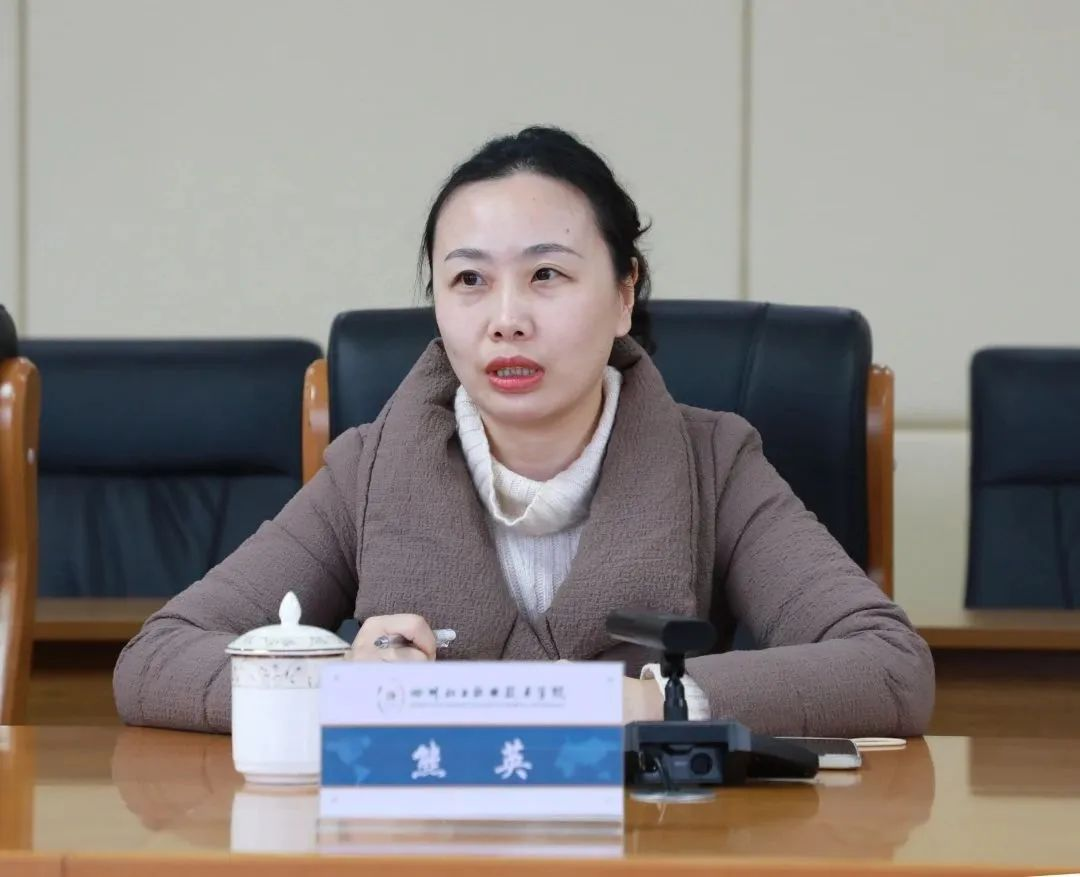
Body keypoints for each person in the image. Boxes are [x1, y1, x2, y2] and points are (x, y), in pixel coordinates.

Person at [113, 126, 934, 735]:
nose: (506, 319)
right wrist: (337, 688)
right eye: (469, 279)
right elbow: (158, 656)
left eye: (546, 274)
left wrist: (652, 700)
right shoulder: (368, 467)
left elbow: (888, 665)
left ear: (624, 294)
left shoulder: (713, 459)